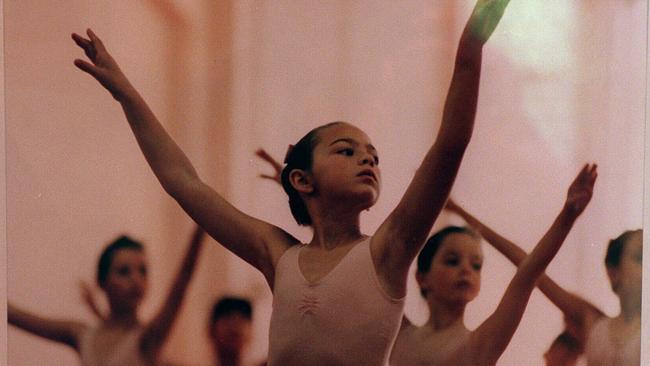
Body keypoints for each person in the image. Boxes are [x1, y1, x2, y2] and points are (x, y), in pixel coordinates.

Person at [72, 1, 509, 364]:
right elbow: (183, 180)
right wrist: (126, 94)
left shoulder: (389, 249)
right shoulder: (278, 254)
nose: (367, 159)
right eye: (347, 150)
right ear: (302, 179)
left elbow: (450, 144)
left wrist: (472, 41)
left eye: (373, 156)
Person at [446, 198, 641, 366]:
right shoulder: (592, 322)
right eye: (641, 257)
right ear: (613, 272)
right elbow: (528, 264)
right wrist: (459, 211)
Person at [9, 226, 205, 366]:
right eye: (124, 271)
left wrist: (202, 223)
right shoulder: (82, 334)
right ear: (102, 282)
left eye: (142, 271)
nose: (136, 280)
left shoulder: (147, 339)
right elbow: (18, 317)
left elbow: (182, 282)